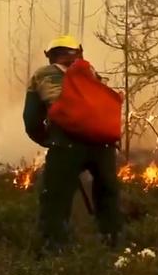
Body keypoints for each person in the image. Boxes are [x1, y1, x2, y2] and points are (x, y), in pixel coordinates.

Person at [23, 35, 123, 254]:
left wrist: (48, 140)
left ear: (51, 55)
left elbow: (31, 119)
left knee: (56, 197)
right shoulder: (92, 74)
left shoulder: (42, 75)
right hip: (103, 144)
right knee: (107, 194)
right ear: (78, 53)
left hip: (66, 144)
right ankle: (113, 245)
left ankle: (56, 249)